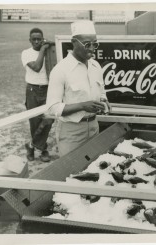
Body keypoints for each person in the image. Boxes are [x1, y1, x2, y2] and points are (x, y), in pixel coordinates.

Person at [46, 20, 111, 157]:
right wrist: (82, 106)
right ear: (74, 42)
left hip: (94, 126)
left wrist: (104, 102)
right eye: (87, 44)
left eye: (95, 44)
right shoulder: (61, 70)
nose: (92, 48)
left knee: (94, 167)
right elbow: (52, 108)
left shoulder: (96, 66)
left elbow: (102, 91)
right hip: (71, 132)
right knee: (72, 171)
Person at [21, 28, 54, 162]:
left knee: (48, 119)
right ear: (30, 40)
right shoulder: (26, 53)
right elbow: (36, 67)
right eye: (33, 39)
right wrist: (42, 49)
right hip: (32, 90)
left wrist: (50, 44)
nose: (36, 41)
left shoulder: (48, 50)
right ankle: (42, 148)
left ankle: (31, 145)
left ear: (42, 39)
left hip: (48, 89)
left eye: (39, 39)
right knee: (35, 122)